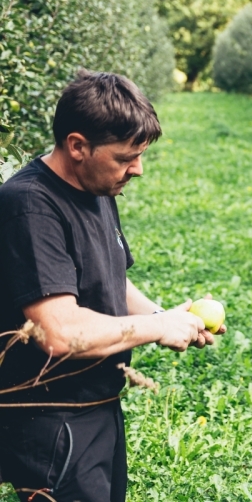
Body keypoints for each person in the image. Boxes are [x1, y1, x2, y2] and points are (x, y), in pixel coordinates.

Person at [0, 70, 224, 502]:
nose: (136, 170)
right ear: (78, 146)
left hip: (98, 405)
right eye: (125, 157)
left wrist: (166, 317)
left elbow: (111, 280)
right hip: (51, 422)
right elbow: (61, 331)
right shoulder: (29, 206)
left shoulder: (98, 188)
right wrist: (156, 330)